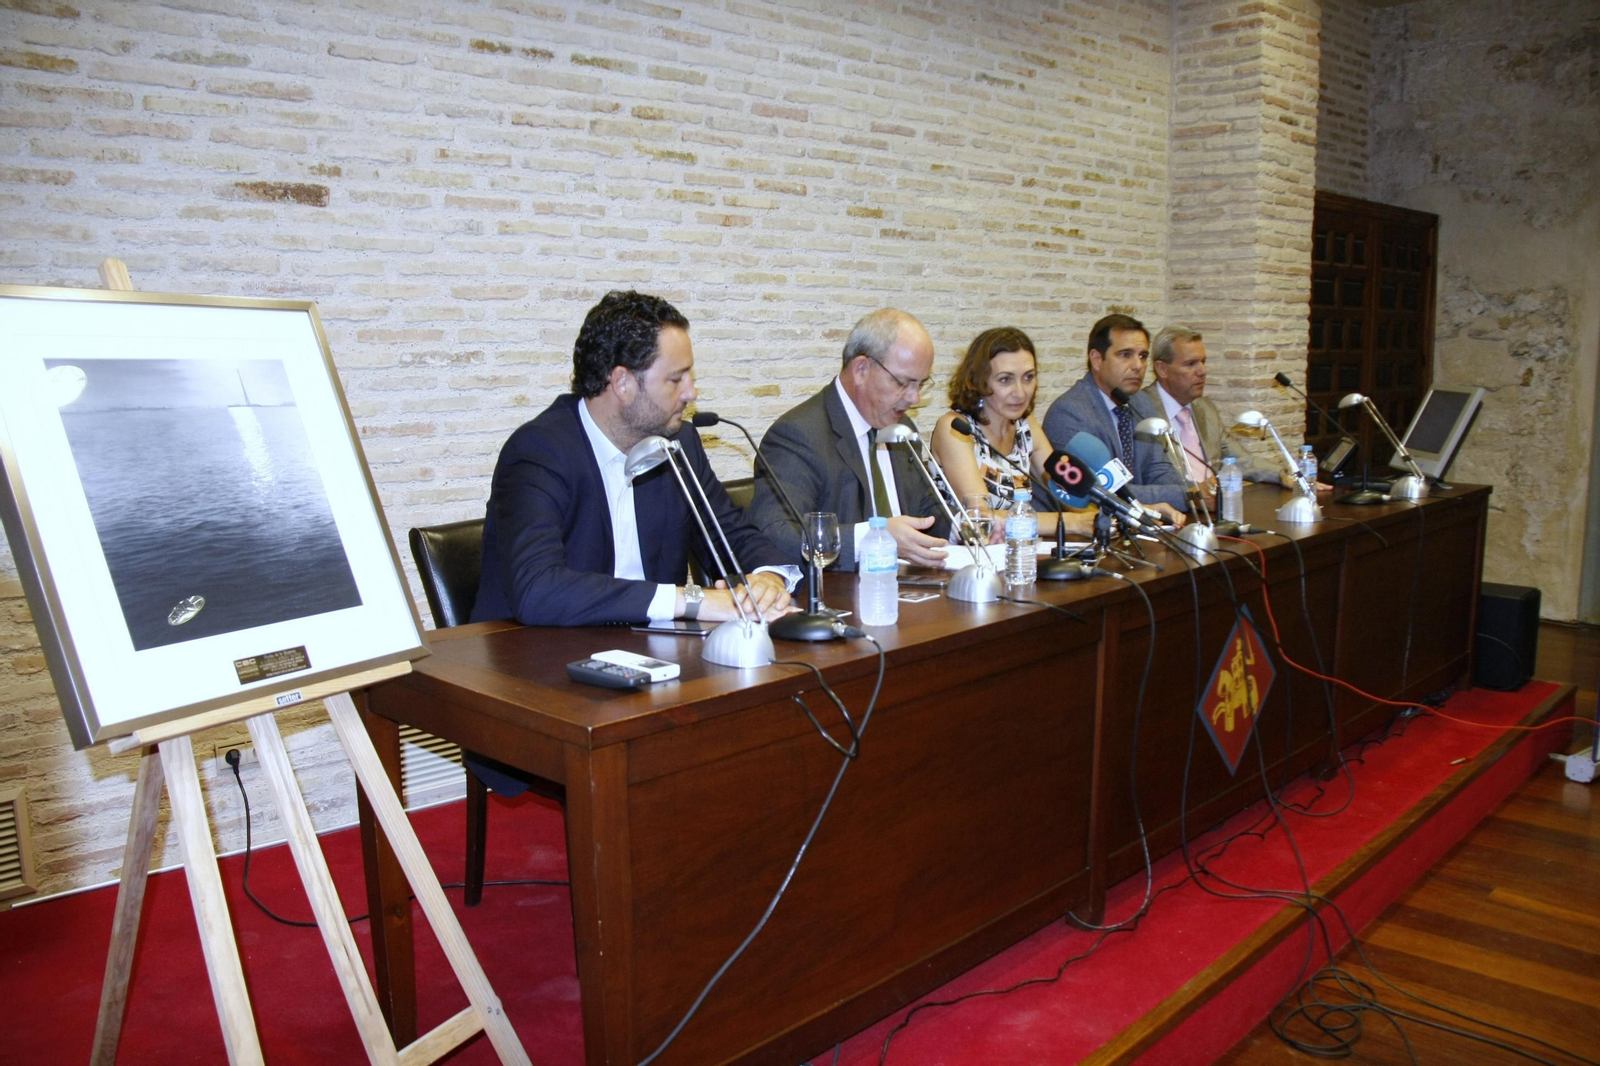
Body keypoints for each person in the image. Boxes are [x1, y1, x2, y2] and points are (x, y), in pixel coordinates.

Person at [471, 289, 796, 629]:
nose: (691, 393)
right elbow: (538, 590)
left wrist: (768, 578)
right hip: (532, 660)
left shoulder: (678, 442)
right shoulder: (540, 451)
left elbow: (733, 534)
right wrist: (693, 601)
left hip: (651, 653)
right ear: (622, 382)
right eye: (675, 379)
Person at [748, 308, 952, 571]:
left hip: (908, 590)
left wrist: (971, 528)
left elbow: (927, 512)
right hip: (842, 598)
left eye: (921, 385)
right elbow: (776, 534)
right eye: (903, 383)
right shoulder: (797, 435)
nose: (914, 398)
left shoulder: (900, 427)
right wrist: (875, 537)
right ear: (861, 369)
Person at [928, 326, 1096, 540]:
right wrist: (1071, 523)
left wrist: (1100, 518)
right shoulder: (955, 428)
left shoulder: (1026, 426)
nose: (1020, 392)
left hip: (1018, 552)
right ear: (979, 381)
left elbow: (1065, 494)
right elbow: (982, 517)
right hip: (966, 559)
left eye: (1028, 377)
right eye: (1005, 380)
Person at [1040, 312, 1187, 522]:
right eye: (1125, 354)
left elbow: (1160, 469)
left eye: (1143, 356)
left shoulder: (1141, 403)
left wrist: (1188, 493)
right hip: (1087, 533)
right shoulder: (1069, 413)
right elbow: (1103, 493)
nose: (1138, 365)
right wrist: (1184, 496)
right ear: (1097, 360)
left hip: (1140, 524)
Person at [1141, 326, 1290, 495]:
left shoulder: (1205, 407)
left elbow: (1240, 460)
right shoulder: (1141, 411)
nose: (1203, 371)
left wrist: (1281, 474)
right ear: (1162, 369)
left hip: (1217, 506)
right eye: (1191, 364)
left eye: (1203, 362)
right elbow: (1151, 477)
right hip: (1178, 508)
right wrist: (1195, 492)